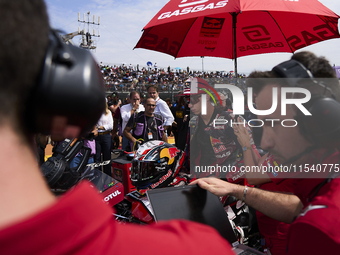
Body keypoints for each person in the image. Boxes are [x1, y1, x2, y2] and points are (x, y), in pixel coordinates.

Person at [0, 1, 234, 254]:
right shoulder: (196, 245)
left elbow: (171, 133)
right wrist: (134, 141)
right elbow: (124, 131)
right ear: (60, 94)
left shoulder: (187, 119)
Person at [192, 52, 340, 254]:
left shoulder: (320, 228)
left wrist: (245, 145)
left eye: (276, 124)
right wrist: (235, 189)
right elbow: (299, 206)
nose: (266, 142)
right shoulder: (320, 186)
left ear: (323, 117)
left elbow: (255, 176)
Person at [95, 102, 114, 176]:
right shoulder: (95, 112)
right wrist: (103, 127)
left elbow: (111, 126)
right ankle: (98, 177)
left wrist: (100, 127)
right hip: (97, 136)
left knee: (107, 158)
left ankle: (108, 176)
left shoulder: (108, 112)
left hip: (106, 136)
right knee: (97, 158)